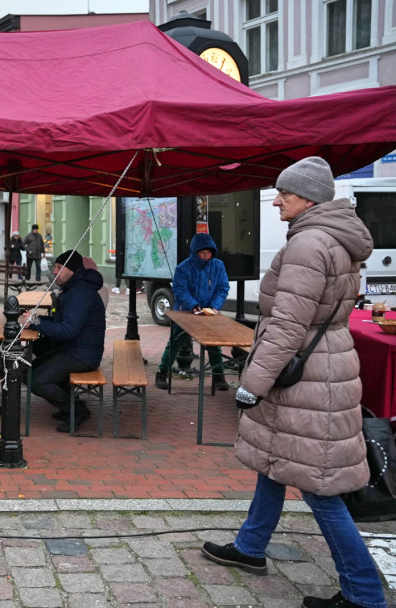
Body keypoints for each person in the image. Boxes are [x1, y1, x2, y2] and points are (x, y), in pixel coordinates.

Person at [202, 157, 385, 608]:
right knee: (276, 461)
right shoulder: (334, 237)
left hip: (305, 376)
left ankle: (365, 595)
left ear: (310, 198)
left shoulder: (308, 243)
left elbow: (288, 324)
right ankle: (250, 548)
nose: (276, 199)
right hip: (323, 367)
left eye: (285, 192)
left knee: (317, 485)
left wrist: (253, 382)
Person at [27, 249, 106, 433]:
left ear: (72, 270)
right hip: (73, 350)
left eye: (60, 268)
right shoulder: (73, 288)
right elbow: (59, 323)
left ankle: (76, 410)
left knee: (36, 380)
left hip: (83, 355)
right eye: (55, 267)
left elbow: (67, 331)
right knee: (34, 368)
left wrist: (35, 323)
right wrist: (34, 320)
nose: (55, 272)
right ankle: (69, 405)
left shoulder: (80, 293)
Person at [154, 233, 231, 392]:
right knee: (175, 342)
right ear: (195, 252)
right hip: (186, 312)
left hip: (209, 312)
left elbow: (222, 288)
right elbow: (180, 290)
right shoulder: (183, 268)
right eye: (202, 253)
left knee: (214, 345)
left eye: (208, 253)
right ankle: (162, 372)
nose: (206, 256)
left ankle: (218, 376)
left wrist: (215, 306)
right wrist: (193, 304)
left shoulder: (218, 265)